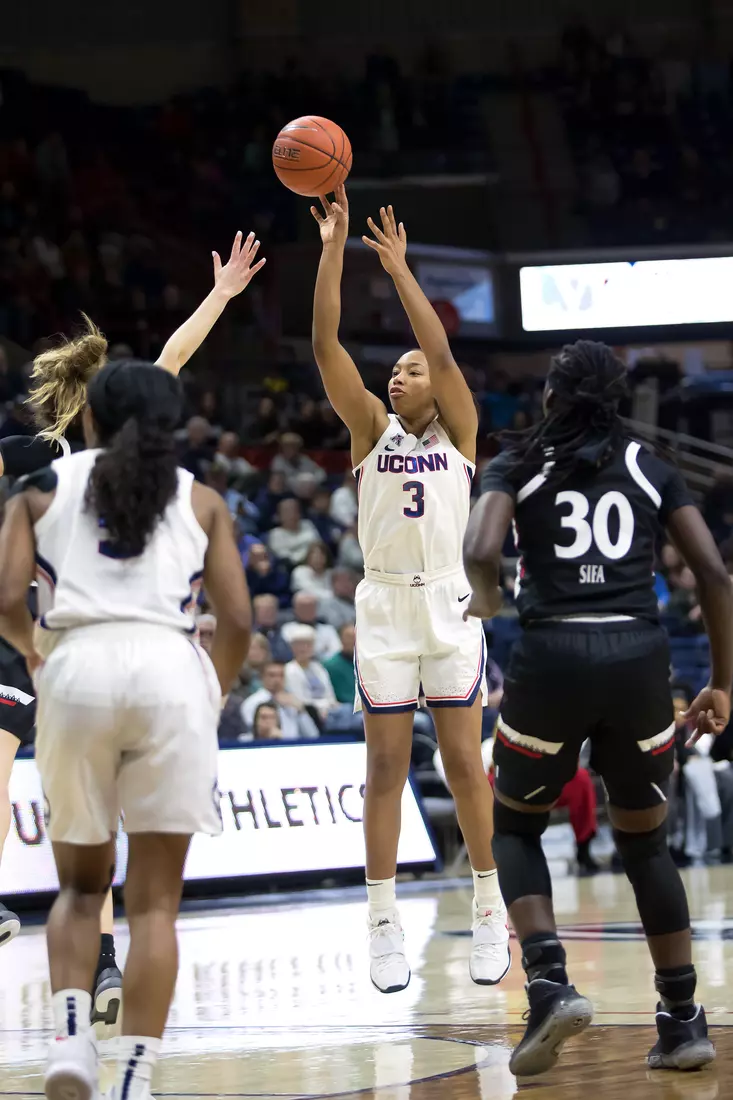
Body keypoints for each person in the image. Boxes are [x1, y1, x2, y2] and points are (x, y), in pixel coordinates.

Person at [0, 227, 263, 1030]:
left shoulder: (36, 465)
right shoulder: (130, 468)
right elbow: (169, 365)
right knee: (118, 832)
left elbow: (166, 366)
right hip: (129, 653)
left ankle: (97, 973)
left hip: (54, 644)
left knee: (79, 841)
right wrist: (218, 296)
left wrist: (218, 298)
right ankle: (112, 973)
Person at [463, 339, 733, 1077]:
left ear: (549, 396)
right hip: (637, 664)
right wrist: (720, 682)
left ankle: (549, 983)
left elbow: (481, 548)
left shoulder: (517, 462)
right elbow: (711, 571)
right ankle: (681, 1020)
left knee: (513, 825)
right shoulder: (650, 466)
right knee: (645, 844)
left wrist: (485, 602)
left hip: (550, 658)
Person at [311, 186, 508, 993]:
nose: (397, 375)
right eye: (392, 368)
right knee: (384, 768)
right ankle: (382, 919)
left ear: (437, 385)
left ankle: (489, 907)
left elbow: (446, 352)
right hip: (387, 606)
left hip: (450, 604)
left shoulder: (461, 431)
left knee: (466, 765)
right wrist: (332, 246)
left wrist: (398, 270)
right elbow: (325, 343)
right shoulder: (368, 430)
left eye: (410, 368)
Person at [241, 661, 319, 741]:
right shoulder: (252, 703)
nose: (277, 679)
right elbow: (252, 735)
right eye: (272, 675)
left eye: (281, 675)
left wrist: (300, 710)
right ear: (262, 677)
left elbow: (313, 735)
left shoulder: (293, 701)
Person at [284, 624, 338, 725]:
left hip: (329, 711)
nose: (303, 648)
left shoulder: (319, 668)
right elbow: (301, 701)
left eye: (308, 644)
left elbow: (330, 695)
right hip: (308, 716)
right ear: (292, 647)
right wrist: (325, 706)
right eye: (299, 644)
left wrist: (331, 705)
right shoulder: (289, 670)